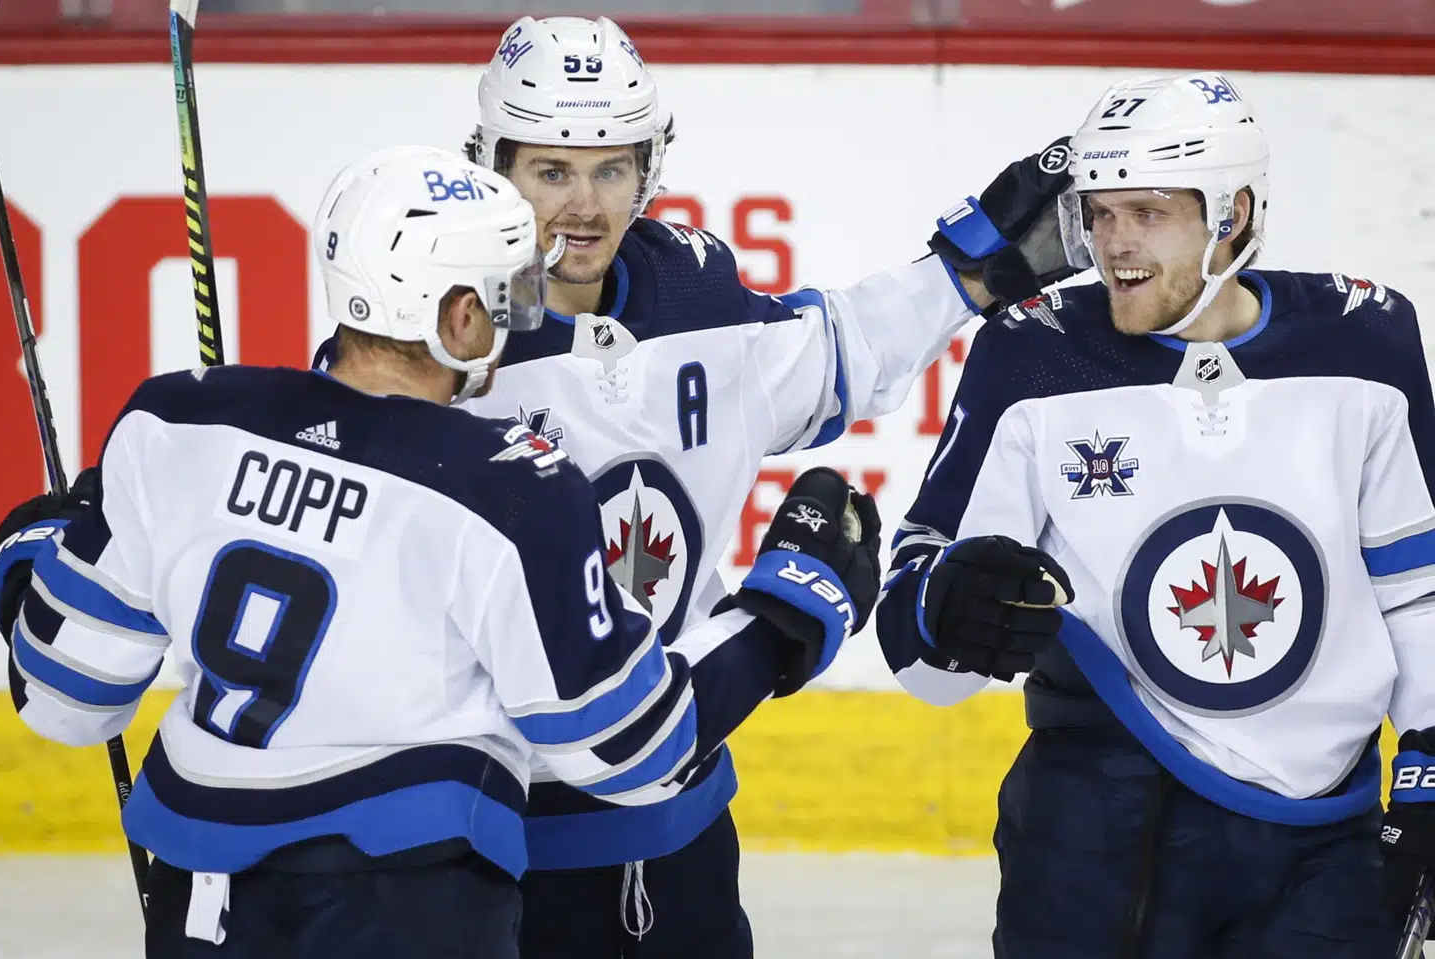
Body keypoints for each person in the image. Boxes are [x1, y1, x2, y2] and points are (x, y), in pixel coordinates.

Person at [0, 147, 880, 958]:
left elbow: (66, 700)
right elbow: (628, 749)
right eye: (508, 292)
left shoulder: (175, 421)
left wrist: (26, 555)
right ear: (459, 316)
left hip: (198, 902)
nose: (525, 310)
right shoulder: (512, 490)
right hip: (410, 908)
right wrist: (785, 614)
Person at [377, 15, 1079, 957]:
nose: (584, 206)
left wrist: (963, 276)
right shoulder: (435, 337)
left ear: (649, 168)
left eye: (612, 168)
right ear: (492, 165)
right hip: (492, 843)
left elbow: (835, 351)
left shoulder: (696, 297)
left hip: (685, 827)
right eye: (550, 171)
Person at [877, 70, 1430, 957]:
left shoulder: (1366, 343)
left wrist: (1433, 764)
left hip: (1327, 844)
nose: (1112, 245)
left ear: (1234, 213)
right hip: (1093, 827)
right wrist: (948, 607)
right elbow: (923, 658)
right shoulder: (1034, 353)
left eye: (1148, 213)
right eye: (1098, 213)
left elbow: (1415, 591)